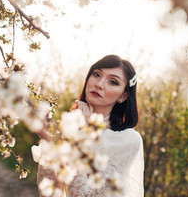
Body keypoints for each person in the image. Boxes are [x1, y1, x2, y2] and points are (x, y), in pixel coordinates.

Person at [32, 55, 144, 196]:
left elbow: (83, 195)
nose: (99, 84)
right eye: (96, 74)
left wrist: (81, 134)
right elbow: (48, 192)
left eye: (113, 82)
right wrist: (45, 136)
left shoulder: (128, 139)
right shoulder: (69, 128)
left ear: (123, 96)